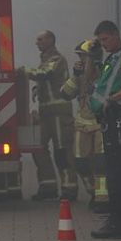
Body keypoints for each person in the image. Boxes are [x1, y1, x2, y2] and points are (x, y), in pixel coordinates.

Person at [88, 20, 121, 239]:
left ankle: (118, 222)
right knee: (116, 170)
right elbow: (93, 80)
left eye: (105, 39)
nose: (104, 44)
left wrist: (112, 99)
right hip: (110, 119)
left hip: (120, 118)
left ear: (115, 34)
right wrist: (93, 57)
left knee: (116, 172)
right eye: (100, 41)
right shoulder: (111, 58)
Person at [25, 31, 76, 201]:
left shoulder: (57, 59)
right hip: (45, 114)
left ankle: (69, 188)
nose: (36, 42)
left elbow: (45, 74)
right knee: (38, 147)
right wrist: (36, 89)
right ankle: (48, 185)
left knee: (62, 150)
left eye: (40, 39)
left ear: (50, 40)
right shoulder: (45, 60)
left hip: (59, 114)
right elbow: (45, 80)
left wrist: (23, 71)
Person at [61, 38, 109, 213]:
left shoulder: (105, 72)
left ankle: (103, 199)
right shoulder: (79, 75)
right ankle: (92, 191)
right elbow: (65, 94)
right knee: (80, 162)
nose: (80, 60)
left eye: (83, 56)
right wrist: (75, 76)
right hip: (82, 124)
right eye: (80, 57)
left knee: (101, 164)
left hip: (101, 124)